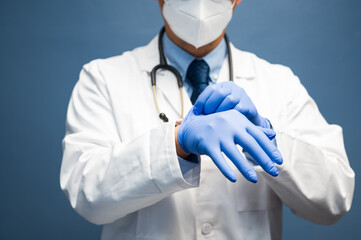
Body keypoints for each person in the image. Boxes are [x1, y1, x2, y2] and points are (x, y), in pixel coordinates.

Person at [60, 0, 355, 239]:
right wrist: (174, 144)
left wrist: (266, 140)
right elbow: (87, 196)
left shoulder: (280, 83)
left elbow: (334, 201)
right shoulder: (102, 78)